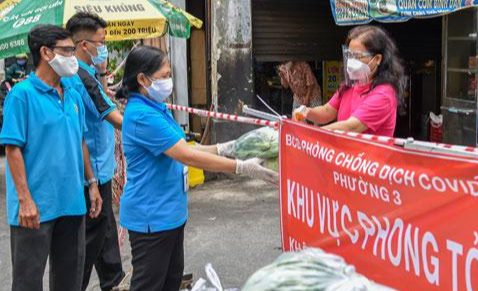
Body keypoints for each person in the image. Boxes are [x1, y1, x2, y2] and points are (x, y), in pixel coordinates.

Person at [115, 45, 277, 291]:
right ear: (142, 79)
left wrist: (227, 148)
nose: (169, 81)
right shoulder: (141, 116)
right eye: (164, 75)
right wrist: (241, 167)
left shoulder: (157, 108)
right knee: (149, 285)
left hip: (169, 213)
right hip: (151, 217)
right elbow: (187, 156)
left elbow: (184, 146)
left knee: (170, 282)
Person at [0, 24, 102, 291]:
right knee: (27, 282)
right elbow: (13, 149)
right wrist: (24, 200)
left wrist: (91, 183)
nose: (72, 57)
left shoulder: (71, 92)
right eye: (67, 50)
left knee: (69, 281)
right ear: (45, 52)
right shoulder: (21, 96)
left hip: (71, 203)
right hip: (34, 209)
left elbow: (80, 140)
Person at [63, 12, 125, 291]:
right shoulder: (79, 77)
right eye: (101, 42)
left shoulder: (88, 74)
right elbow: (109, 114)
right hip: (93, 170)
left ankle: (114, 281)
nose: (105, 48)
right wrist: (149, 129)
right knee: (90, 238)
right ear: (84, 45)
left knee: (105, 231)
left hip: (101, 167)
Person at [293, 25, 406, 137]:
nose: (352, 61)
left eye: (358, 56)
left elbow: (351, 127)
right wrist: (306, 112)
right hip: (346, 154)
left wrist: (310, 135)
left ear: (377, 59)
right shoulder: (350, 84)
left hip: (368, 155)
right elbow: (327, 111)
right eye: (350, 56)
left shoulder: (384, 94)